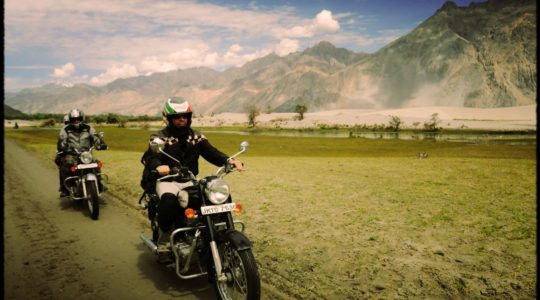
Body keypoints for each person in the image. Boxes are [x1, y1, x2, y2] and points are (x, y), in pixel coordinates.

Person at [143, 97, 244, 245]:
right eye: (176, 117)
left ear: (189, 117)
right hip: (167, 181)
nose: (181, 119)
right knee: (169, 200)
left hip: (190, 180)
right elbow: (151, 157)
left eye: (185, 116)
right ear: (168, 119)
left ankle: (218, 231)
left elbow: (211, 152)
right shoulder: (159, 137)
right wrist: (158, 166)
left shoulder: (196, 136)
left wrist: (229, 161)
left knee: (212, 196)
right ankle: (166, 235)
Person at [57, 108, 107, 196]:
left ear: (82, 118)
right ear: (70, 120)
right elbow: (62, 139)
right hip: (72, 154)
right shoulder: (65, 129)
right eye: (73, 119)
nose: (76, 121)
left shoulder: (88, 128)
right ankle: (65, 188)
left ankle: (99, 184)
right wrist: (63, 147)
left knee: (96, 163)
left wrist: (100, 144)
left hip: (86, 154)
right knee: (66, 163)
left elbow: (95, 136)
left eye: (78, 119)